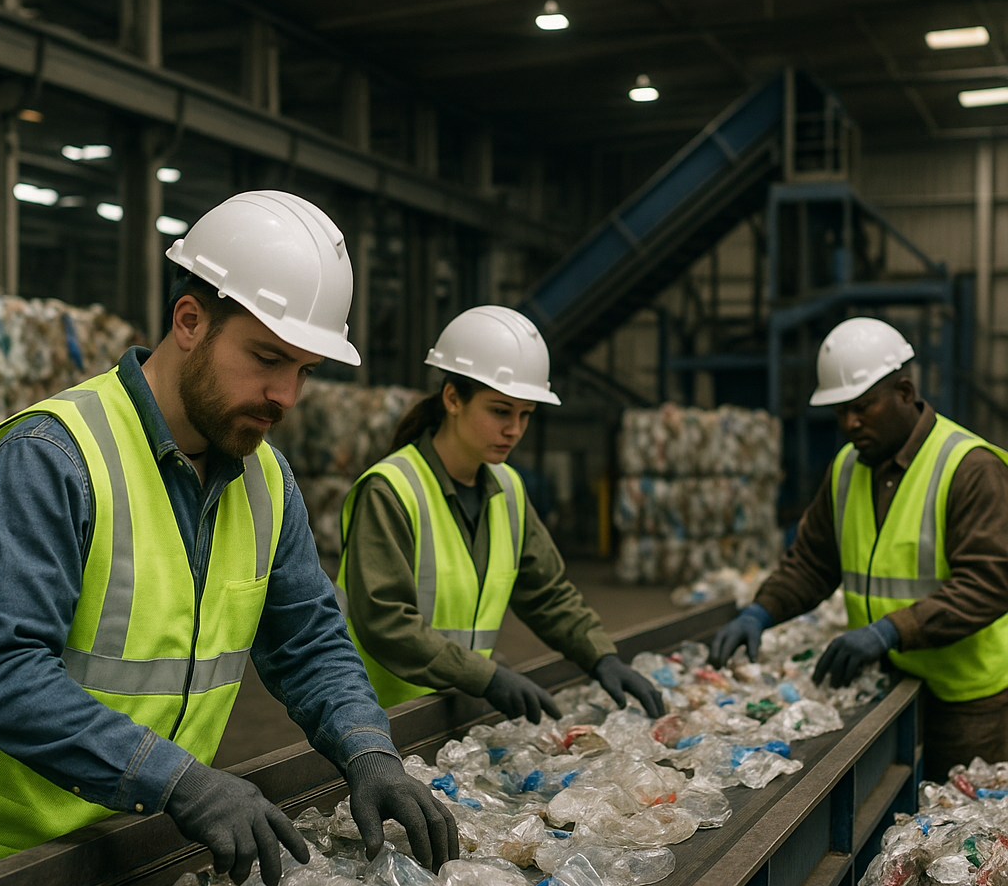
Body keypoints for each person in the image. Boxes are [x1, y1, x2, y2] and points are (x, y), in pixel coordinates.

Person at [0, 190, 457, 885]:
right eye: (266, 358)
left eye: (303, 370)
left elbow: (310, 641)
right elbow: (1, 669)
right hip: (10, 867)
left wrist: (369, 752)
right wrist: (180, 780)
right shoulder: (54, 459)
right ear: (189, 321)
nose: (285, 396)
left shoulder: (267, 481)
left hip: (150, 846)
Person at [710, 316, 1008, 781]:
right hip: (885, 687)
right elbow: (812, 562)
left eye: (863, 407)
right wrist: (760, 612)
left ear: (905, 393)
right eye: (839, 412)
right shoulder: (847, 468)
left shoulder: (969, 467)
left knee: (959, 825)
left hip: (966, 702)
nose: (849, 423)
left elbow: (989, 583)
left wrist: (889, 630)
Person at [336, 305, 665, 724]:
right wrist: (487, 677)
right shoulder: (392, 490)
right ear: (453, 398)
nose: (515, 429)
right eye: (500, 411)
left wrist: (601, 657)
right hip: (379, 720)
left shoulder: (507, 490)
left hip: (454, 713)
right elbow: (386, 622)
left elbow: (546, 593)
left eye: (525, 414)